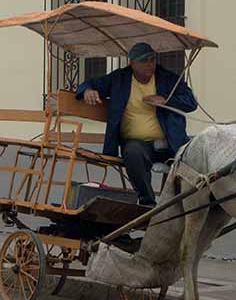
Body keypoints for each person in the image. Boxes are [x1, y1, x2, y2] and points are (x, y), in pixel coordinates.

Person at [76, 41, 197, 206]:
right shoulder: (119, 78)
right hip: (138, 145)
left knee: (196, 158)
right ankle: (147, 203)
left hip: (171, 143)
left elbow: (191, 102)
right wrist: (87, 91)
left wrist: (166, 100)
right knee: (133, 152)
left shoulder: (167, 78)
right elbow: (88, 84)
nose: (150, 64)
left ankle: (187, 205)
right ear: (131, 62)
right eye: (144, 61)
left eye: (152, 60)